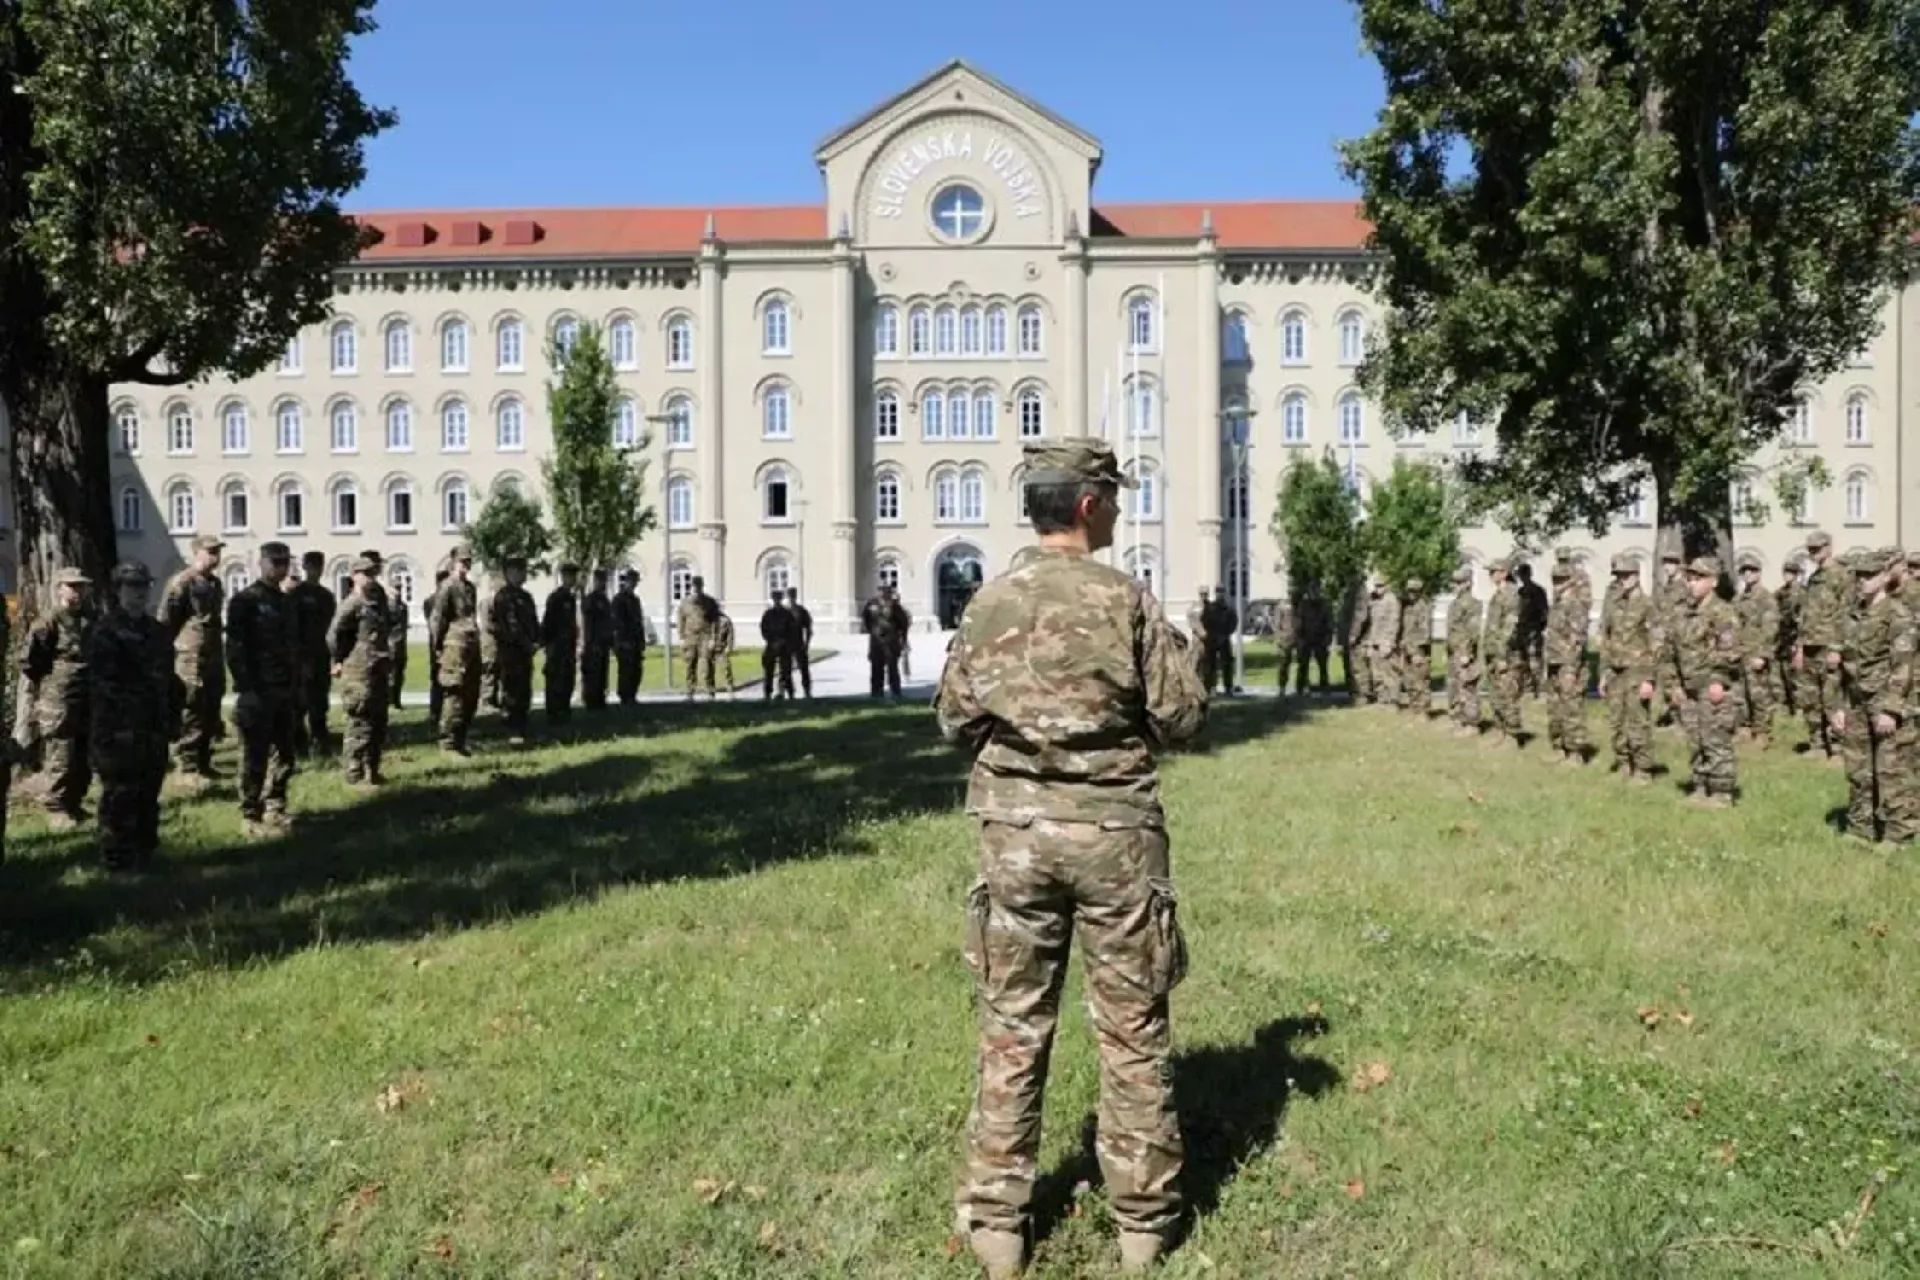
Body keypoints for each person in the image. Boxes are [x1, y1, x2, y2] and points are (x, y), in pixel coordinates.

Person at [934, 438, 1205, 1278]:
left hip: (1016, 840)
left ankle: (998, 1225)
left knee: (1013, 1025)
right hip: (1115, 839)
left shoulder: (988, 602)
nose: (1119, 509)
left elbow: (954, 720)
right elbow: (1182, 719)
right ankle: (1142, 1225)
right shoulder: (1127, 600)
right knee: (1132, 1028)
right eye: (1113, 497)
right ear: (1087, 506)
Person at [86, 562, 172, 870]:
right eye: (132, 586)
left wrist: (170, 717)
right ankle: (116, 856)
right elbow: (103, 683)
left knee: (149, 790)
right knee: (120, 793)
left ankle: (144, 852)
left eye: (143, 586)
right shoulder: (105, 630)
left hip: (152, 725)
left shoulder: (157, 631)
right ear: (118, 590)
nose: (139, 592)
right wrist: (120, 724)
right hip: (118, 727)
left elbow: (168, 679)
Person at [226, 542, 301, 837]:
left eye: (284, 563)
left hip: (284, 690)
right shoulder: (246, 601)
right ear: (262, 563)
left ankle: (275, 807)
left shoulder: (285, 601)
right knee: (254, 755)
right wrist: (246, 687)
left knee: (285, 753)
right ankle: (250, 813)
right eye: (275, 562)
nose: (280, 568)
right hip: (258, 691)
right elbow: (235, 648)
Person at [1837, 549, 1908, 843]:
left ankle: (1897, 834)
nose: (1863, 580)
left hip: (1883, 701)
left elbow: (1902, 666)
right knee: (1858, 768)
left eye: (1870, 575)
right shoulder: (1852, 615)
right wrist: (1838, 705)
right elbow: (1842, 664)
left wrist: (1891, 709)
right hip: (1856, 701)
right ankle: (1860, 827)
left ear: (1884, 577)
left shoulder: (1896, 614)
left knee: (1890, 771)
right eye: (1859, 575)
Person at [1662, 555, 1742, 807]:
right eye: (1690, 578)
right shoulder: (1682, 613)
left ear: (1713, 582)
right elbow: (1669, 652)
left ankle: (1721, 792)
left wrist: (1718, 680)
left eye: (1698, 578)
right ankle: (1700, 785)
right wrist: (1673, 685)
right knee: (1695, 739)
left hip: (1712, 686)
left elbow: (1731, 652)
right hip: (1688, 688)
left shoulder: (1723, 612)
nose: (1692, 583)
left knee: (1715, 738)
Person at [22, 568, 96, 829]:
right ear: (60, 589)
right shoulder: (48, 622)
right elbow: (30, 661)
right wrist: (50, 685)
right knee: (61, 754)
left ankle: (74, 802)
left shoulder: (91, 618)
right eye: (72, 586)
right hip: (59, 699)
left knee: (83, 753)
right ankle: (56, 807)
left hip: (87, 695)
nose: (77, 592)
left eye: (81, 587)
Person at [161, 534, 226, 787]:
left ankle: (204, 761)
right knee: (192, 708)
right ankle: (187, 766)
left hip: (213, 655)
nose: (215, 557)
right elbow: (167, 620)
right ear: (196, 553)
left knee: (211, 707)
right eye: (210, 552)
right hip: (190, 658)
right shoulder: (182, 582)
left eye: (217, 552)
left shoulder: (215, 584)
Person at [329, 555, 395, 788]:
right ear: (354, 576)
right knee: (359, 723)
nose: (370, 578)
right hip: (358, 672)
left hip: (378, 669)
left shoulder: (377, 601)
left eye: (373, 573)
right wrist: (338, 660)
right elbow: (334, 634)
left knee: (378, 722)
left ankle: (372, 771)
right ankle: (354, 774)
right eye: (365, 574)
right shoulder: (352, 604)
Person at [1598, 554, 1658, 784]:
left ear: (1636, 576)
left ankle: (1643, 769)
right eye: (1619, 576)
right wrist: (1604, 672)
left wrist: (1649, 679)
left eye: (1626, 575)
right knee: (1616, 721)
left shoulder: (1647, 604)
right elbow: (1607, 638)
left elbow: (1656, 643)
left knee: (1637, 722)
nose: (1622, 580)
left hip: (1637, 672)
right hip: (1616, 671)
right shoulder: (1615, 603)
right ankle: (1624, 763)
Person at [1794, 530, 1850, 761]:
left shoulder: (1842, 575)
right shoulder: (1814, 578)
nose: (1813, 553)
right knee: (1810, 697)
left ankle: (1837, 747)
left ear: (1829, 547)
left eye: (1817, 548)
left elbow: (1845, 613)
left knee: (1831, 697)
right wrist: (1799, 646)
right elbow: (1805, 615)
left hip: (1828, 645)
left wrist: (1837, 647)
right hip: (1810, 645)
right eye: (1810, 549)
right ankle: (1817, 743)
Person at [429, 547, 483, 754]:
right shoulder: (447, 587)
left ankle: (461, 739)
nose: (465, 565)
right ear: (453, 562)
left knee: (471, 694)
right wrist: (438, 647)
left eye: (468, 561)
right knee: (455, 694)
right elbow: (438, 619)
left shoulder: (470, 588)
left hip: (470, 645)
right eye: (462, 561)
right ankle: (448, 742)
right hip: (453, 647)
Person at [486, 555, 540, 743]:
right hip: (511, 651)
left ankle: (522, 724)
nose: (523, 574)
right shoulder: (504, 597)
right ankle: (512, 727)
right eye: (519, 571)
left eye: (523, 570)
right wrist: (527, 643)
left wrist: (537, 640)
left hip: (525, 652)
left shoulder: (526, 597)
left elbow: (533, 622)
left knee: (524, 688)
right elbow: (510, 626)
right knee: (512, 689)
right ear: (509, 573)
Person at [290, 550, 337, 759]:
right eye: (310, 567)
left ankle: (320, 740)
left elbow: (331, 626)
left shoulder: (325, 596)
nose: (315, 571)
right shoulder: (296, 595)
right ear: (305, 567)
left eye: (318, 567)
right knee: (299, 703)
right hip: (301, 656)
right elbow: (291, 628)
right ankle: (299, 744)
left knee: (320, 700)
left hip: (320, 654)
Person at [1543, 562, 1590, 765]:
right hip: (1554, 662)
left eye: (1561, 580)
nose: (1557, 584)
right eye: (1555, 580)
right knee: (1555, 708)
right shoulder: (1557, 606)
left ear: (1571, 581)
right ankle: (1559, 746)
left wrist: (1571, 669)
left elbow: (1577, 640)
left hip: (1568, 664)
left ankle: (1575, 752)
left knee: (1571, 708)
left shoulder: (1576, 606)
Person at [1733, 554, 1781, 747]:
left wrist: (1762, 654)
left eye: (1752, 570)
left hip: (1756, 652)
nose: (1748, 574)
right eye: (1744, 571)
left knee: (1759, 695)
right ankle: (1745, 728)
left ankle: (1762, 732)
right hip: (1740, 653)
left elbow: (1771, 628)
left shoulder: (1766, 598)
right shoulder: (1739, 599)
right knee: (1740, 694)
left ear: (1759, 573)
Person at [1481, 558, 1526, 747]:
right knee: (1496, 694)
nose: (1490, 575)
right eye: (1490, 571)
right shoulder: (1497, 595)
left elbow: (1509, 629)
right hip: (1493, 653)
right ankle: (1500, 730)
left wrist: (1501, 656)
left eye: (1494, 571)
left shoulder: (1512, 595)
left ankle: (1512, 736)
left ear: (1504, 573)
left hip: (1507, 655)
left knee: (1508, 695)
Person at [1444, 564, 1482, 736]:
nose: (1455, 586)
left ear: (1468, 583)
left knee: (1467, 687)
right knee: (1454, 686)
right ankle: (1458, 718)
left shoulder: (1473, 604)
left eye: (1459, 582)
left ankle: (1472, 724)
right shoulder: (1454, 604)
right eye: (1454, 582)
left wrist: (1467, 653)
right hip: (1453, 651)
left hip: (1464, 652)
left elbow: (1472, 631)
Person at [542, 562, 581, 724]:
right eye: (570, 576)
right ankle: (553, 712)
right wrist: (548, 644)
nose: (573, 579)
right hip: (556, 645)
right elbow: (548, 623)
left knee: (567, 679)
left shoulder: (570, 598)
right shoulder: (556, 598)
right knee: (555, 679)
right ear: (563, 577)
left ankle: (564, 710)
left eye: (574, 576)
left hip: (568, 646)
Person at [861, 584, 910, 697]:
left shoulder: (895, 606)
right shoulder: (871, 604)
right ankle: (876, 693)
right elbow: (866, 620)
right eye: (882, 591)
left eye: (887, 591)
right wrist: (872, 631)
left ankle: (895, 692)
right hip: (876, 641)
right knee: (876, 667)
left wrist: (903, 639)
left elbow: (903, 623)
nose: (884, 593)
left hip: (891, 641)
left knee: (892, 668)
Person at [676, 576, 719, 699]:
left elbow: (715, 621)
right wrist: (681, 637)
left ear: (702, 586)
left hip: (705, 635)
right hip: (690, 636)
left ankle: (710, 691)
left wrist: (713, 638)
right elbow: (681, 620)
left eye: (698, 585)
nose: (696, 588)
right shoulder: (685, 602)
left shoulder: (709, 602)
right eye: (694, 585)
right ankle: (690, 691)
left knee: (707, 663)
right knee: (690, 664)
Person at [611, 568, 647, 705]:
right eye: (632, 580)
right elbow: (617, 622)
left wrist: (641, 640)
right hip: (624, 640)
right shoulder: (619, 599)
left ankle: (632, 695)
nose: (634, 584)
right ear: (626, 581)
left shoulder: (635, 600)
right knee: (626, 670)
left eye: (636, 581)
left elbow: (639, 621)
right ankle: (625, 697)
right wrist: (621, 640)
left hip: (635, 640)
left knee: (636, 670)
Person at [580, 567, 614, 710]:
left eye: (604, 580)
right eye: (600, 580)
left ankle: (600, 699)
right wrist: (589, 641)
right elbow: (588, 622)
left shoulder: (605, 600)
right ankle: (591, 701)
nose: (603, 583)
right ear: (595, 581)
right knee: (593, 674)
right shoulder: (591, 599)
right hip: (593, 643)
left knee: (602, 674)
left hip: (603, 643)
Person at [1398, 577, 1432, 715]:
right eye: (1409, 591)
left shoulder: (1423, 607)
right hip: (1407, 649)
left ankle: (1423, 711)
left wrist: (1416, 652)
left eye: (1414, 591)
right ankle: (1414, 707)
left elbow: (1425, 633)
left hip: (1418, 651)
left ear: (1420, 592)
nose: (1411, 594)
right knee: (1409, 681)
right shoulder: (1407, 607)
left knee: (1420, 682)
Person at [424, 567, 451, 732]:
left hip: (447, 642)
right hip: (438, 642)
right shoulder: (431, 601)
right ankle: (436, 710)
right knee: (437, 677)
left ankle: (442, 710)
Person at [1515, 562, 1548, 698]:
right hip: (1521, 631)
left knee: (1535, 661)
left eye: (1524, 574)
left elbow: (1544, 612)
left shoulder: (1538, 591)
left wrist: (1539, 627)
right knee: (1522, 661)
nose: (1522, 577)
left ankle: (1537, 688)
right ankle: (1525, 687)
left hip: (1533, 630)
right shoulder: (1519, 592)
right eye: (1521, 575)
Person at [760, 588, 797, 700]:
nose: (776, 600)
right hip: (771, 644)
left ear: (781, 599)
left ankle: (787, 692)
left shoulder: (787, 614)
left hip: (784, 646)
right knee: (768, 670)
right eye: (775, 598)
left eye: (778, 598)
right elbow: (764, 629)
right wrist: (771, 641)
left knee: (786, 671)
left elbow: (792, 630)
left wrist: (783, 641)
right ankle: (768, 692)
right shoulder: (768, 614)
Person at [784, 590, 815, 698]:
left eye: (793, 596)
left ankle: (807, 690)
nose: (791, 599)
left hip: (799, 644)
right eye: (790, 596)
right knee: (786, 670)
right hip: (787, 645)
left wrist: (806, 644)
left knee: (804, 669)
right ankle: (790, 691)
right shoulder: (785, 611)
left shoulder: (801, 611)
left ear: (795, 597)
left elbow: (809, 629)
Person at [1186, 588, 1214, 690]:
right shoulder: (1194, 607)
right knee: (1195, 663)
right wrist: (1201, 632)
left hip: (1209, 640)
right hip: (1197, 640)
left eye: (1206, 594)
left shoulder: (1211, 607)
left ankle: (1208, 687)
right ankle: (1193, 686)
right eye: (1202, 594)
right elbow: (1192, 621)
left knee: (1208, 665)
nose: (1204, 596)